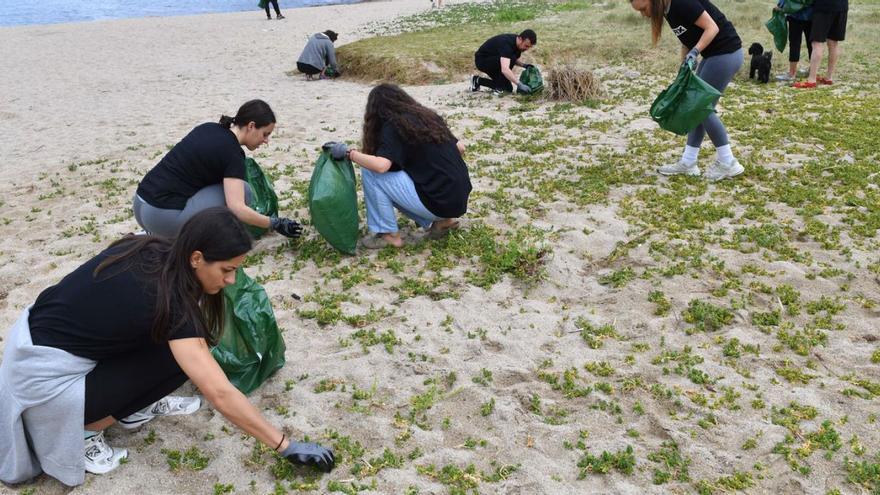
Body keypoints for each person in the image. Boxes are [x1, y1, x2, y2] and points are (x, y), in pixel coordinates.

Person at [0, 208, 334, 486]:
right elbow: (218, 392)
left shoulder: (149, 247)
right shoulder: (169, 301)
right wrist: (284, 445)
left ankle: (124, 412)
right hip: (42, 383)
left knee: (184, 349)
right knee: (185, 359)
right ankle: (87, 431)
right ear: (197, 258)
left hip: (27, 346)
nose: (231, 280)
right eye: (227, 270)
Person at [325, 84, 472, 249]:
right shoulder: (428, 117)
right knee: (406, 171)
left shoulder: (393, 125)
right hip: (458, 199)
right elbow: (461, 148)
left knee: (371, 171)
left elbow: (381, 166)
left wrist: (350, 153)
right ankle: (445, 221)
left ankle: (389, 235)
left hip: (439, 202)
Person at [133, 100, 302, 239]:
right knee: (244, 192)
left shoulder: (209, 128)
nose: (266, 141)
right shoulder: (233, 153)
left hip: (140, 203)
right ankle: (169, 236)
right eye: (265, 134)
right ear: (251, 126)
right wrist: (275, 223)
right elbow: (237, 209)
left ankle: (154, 233)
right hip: (160, 217)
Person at [630, 0, 744, 181]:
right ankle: (688, 162)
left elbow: (712, 28)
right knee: (696, 109)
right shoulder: (667, 10)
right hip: (713, 55)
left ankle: (728, 162)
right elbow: (687, 41)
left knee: (700, 107)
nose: (644, 14)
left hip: (725, 53)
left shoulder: (681, 3)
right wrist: (684, 67)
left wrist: (695, 52)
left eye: (644, 9)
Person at [792, 0, 846, 88]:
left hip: (824, 7)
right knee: (833, 43)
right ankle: (829, 77)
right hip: (842, 6)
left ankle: (811, 80)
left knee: (817, 43)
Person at [470, 29, 537, 95]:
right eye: (526, 46)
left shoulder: (518, 45)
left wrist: (524, 65)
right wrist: (519, 84)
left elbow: (511, 58)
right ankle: (498, 88)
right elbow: (505, 69)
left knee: (507, 89)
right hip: (482, 61)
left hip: (494, 61)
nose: (527, 49)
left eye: (529, 47)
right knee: (508, 63)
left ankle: (477, 80)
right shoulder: (506, 44)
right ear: (520, 39)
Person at [774, 0, 813, 82]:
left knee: (795, 43)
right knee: (812, 44)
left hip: (795, 14)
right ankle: (812, 71)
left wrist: (780, 5)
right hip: (812, 13)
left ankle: (792, 74)